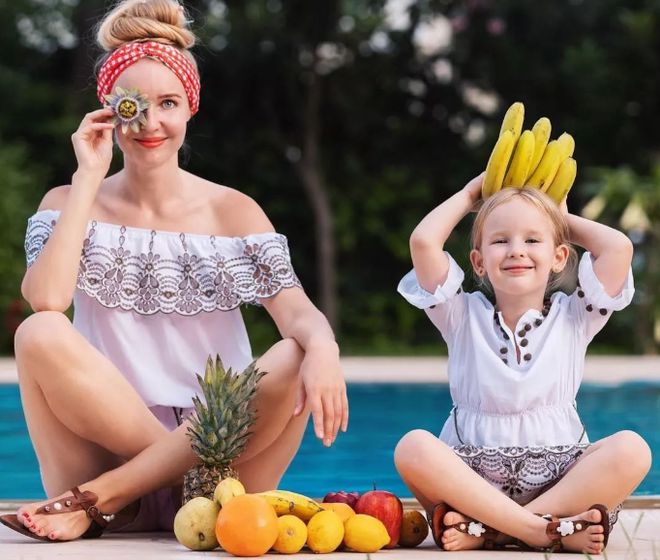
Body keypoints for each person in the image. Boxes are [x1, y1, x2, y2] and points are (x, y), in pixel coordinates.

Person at [0, 0, 347, 543]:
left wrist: (324, 351)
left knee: (298, 349)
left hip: (224, 451)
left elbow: (300, 315)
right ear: (110, 107)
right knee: (38, 330)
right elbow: (46, 299)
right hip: (114, 450)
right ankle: (155, 485)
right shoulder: (68, 199)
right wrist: (88, 178)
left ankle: (106, 495)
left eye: (169, 103)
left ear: (191, 108)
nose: (152, 123)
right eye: (136, 105)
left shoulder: (233, 211)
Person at [394, 174, 651, 554]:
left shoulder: (577, 315)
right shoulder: (460, 314)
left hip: (561, 482)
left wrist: (558, 218)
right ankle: (545, 532)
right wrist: (469, 195)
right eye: (501, 241)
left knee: (634, 449)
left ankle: (494, 532)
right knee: (411, 447)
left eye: (533, 240)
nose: (516, 250)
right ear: (478, 262)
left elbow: (618, 247)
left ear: (559, 257)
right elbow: (423, 242)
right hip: (472, 481)